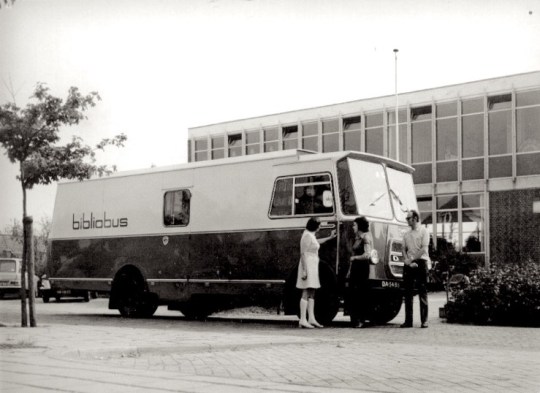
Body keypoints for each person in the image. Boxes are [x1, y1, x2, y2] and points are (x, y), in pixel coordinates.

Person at [296, 217, 336, 328]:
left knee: (312, 290)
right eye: (319, 225)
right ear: (314, 226)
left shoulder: (310, 235)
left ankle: (311, 318)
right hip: (307, 264)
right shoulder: (306, 235)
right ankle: (303, 320)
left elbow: (315, 243)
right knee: (306, 289)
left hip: (313, 264)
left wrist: (329, 237)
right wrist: (304, 270)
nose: (320, 227)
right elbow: (302, 253)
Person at [401, 209, 430, 328]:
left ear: (415, 218)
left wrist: (412, 260)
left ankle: (424, 320)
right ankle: (408, 321)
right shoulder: (406, 234)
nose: (407, 220)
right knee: (408, 293)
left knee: (422, 291)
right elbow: (403, 249)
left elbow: (423, 248)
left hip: (421, 262)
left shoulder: (424, 231)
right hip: (409, 264)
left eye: (408, 218)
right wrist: (407, 261)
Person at [346, 216, 373, 328]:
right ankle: (355, 319)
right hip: (356, 268)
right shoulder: (358, 238)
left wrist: (355, 258)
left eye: (354, 225)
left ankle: (360, 319)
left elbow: (367, 255)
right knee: (354, 293)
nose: (353, 227)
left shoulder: (365, 238)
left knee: (360, 293)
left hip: (362, 267)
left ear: (360, 226)